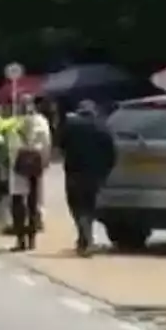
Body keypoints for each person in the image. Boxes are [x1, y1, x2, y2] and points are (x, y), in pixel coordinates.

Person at [58, 100, 116, 256]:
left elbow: (60, 146)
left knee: (76, 206)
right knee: (89, 207)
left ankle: (86, 238)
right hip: (95, 174)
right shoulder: (102, 126)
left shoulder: (70, 126)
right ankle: (85, 239)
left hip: (74, 172)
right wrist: (106, 172)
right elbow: (111, 152)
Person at [9, 95, 52, 251]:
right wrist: (44, 162)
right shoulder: (42, 121)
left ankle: (21, 239)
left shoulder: (15, 122)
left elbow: (11, 147)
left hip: (19, 166)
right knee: (33, 203)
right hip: (35, 165)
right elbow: (47, 144)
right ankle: (32, 239)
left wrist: (12, 163)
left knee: (18, 203)